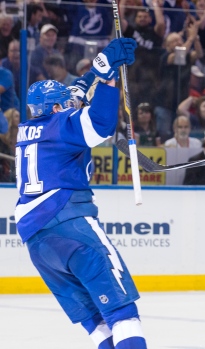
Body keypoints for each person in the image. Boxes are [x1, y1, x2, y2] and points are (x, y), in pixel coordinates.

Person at [15, 38, 147, 348]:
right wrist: (108, 76)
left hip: (38, 244)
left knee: (98, 324)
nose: (75, 103)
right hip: (71, 225)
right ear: (59, 108)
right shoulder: (62, 124)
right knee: (123, 313)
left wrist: (97, 68)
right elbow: (100, 124)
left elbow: (76, 91)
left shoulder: (28, 129)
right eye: (68, 103)